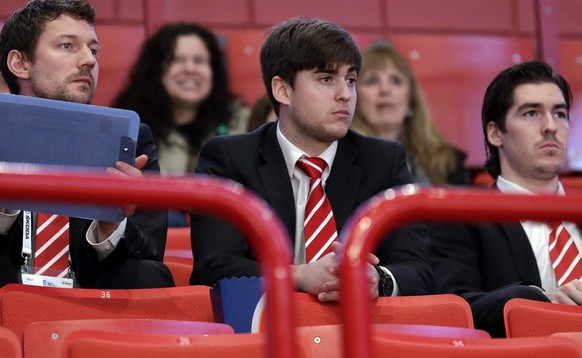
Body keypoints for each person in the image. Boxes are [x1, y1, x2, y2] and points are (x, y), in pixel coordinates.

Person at [189, 17, 431, 302]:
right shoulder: (229, 159)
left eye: (350, 80)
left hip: (361, 330)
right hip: (264, 329)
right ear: (282, 90)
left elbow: (418, 269)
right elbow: (215, 266)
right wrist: (300, 275)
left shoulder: (384, 160)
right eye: (326, 79)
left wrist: (378, 280)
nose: (345, 95)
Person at [0, 0, 174, 289]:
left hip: (90, 300)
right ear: (20, 63)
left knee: (150, 276)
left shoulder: (130, 139)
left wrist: (111, 224)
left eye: (93, 50)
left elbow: (150, 252)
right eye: (67, 46)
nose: (89, 60)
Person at [431, 60, 575, 337]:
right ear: (495, 133)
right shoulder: (459, 219)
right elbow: (454, 310)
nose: (550, 127)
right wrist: (542, 300)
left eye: (559, 113)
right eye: (532, 113)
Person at [112, 23, 248, 227]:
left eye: (199, 60)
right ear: (156, 69)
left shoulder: (244, 122)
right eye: (177, 60)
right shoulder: (129, 126)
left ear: (214, 70)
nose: (190, 69)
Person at [352, 43, 470, 185]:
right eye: (372, 81)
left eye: (396, 81)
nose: (385, 89)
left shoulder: (447, 162)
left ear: (411, 101)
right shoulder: (338, 158)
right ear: (354, 97)